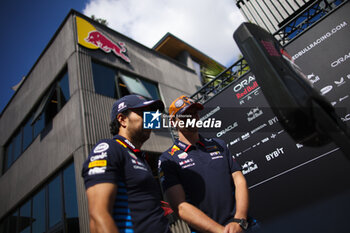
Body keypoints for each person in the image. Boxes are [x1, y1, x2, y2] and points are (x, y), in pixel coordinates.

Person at [159, 95, 250, 233]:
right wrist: (221, 231)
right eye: (185, 115)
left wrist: (240, 220)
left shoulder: (219, 144)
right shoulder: (167, 159)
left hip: (242, 227)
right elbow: (180, 206)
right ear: (173, 122)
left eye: (194, 113)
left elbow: (239, 180)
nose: (192, 117)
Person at [82, 94, 171, 233]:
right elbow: (98, 216)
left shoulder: (139, 158)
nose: (150, 119)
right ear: (123, 119)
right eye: (143, 113)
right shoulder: (109, 148)